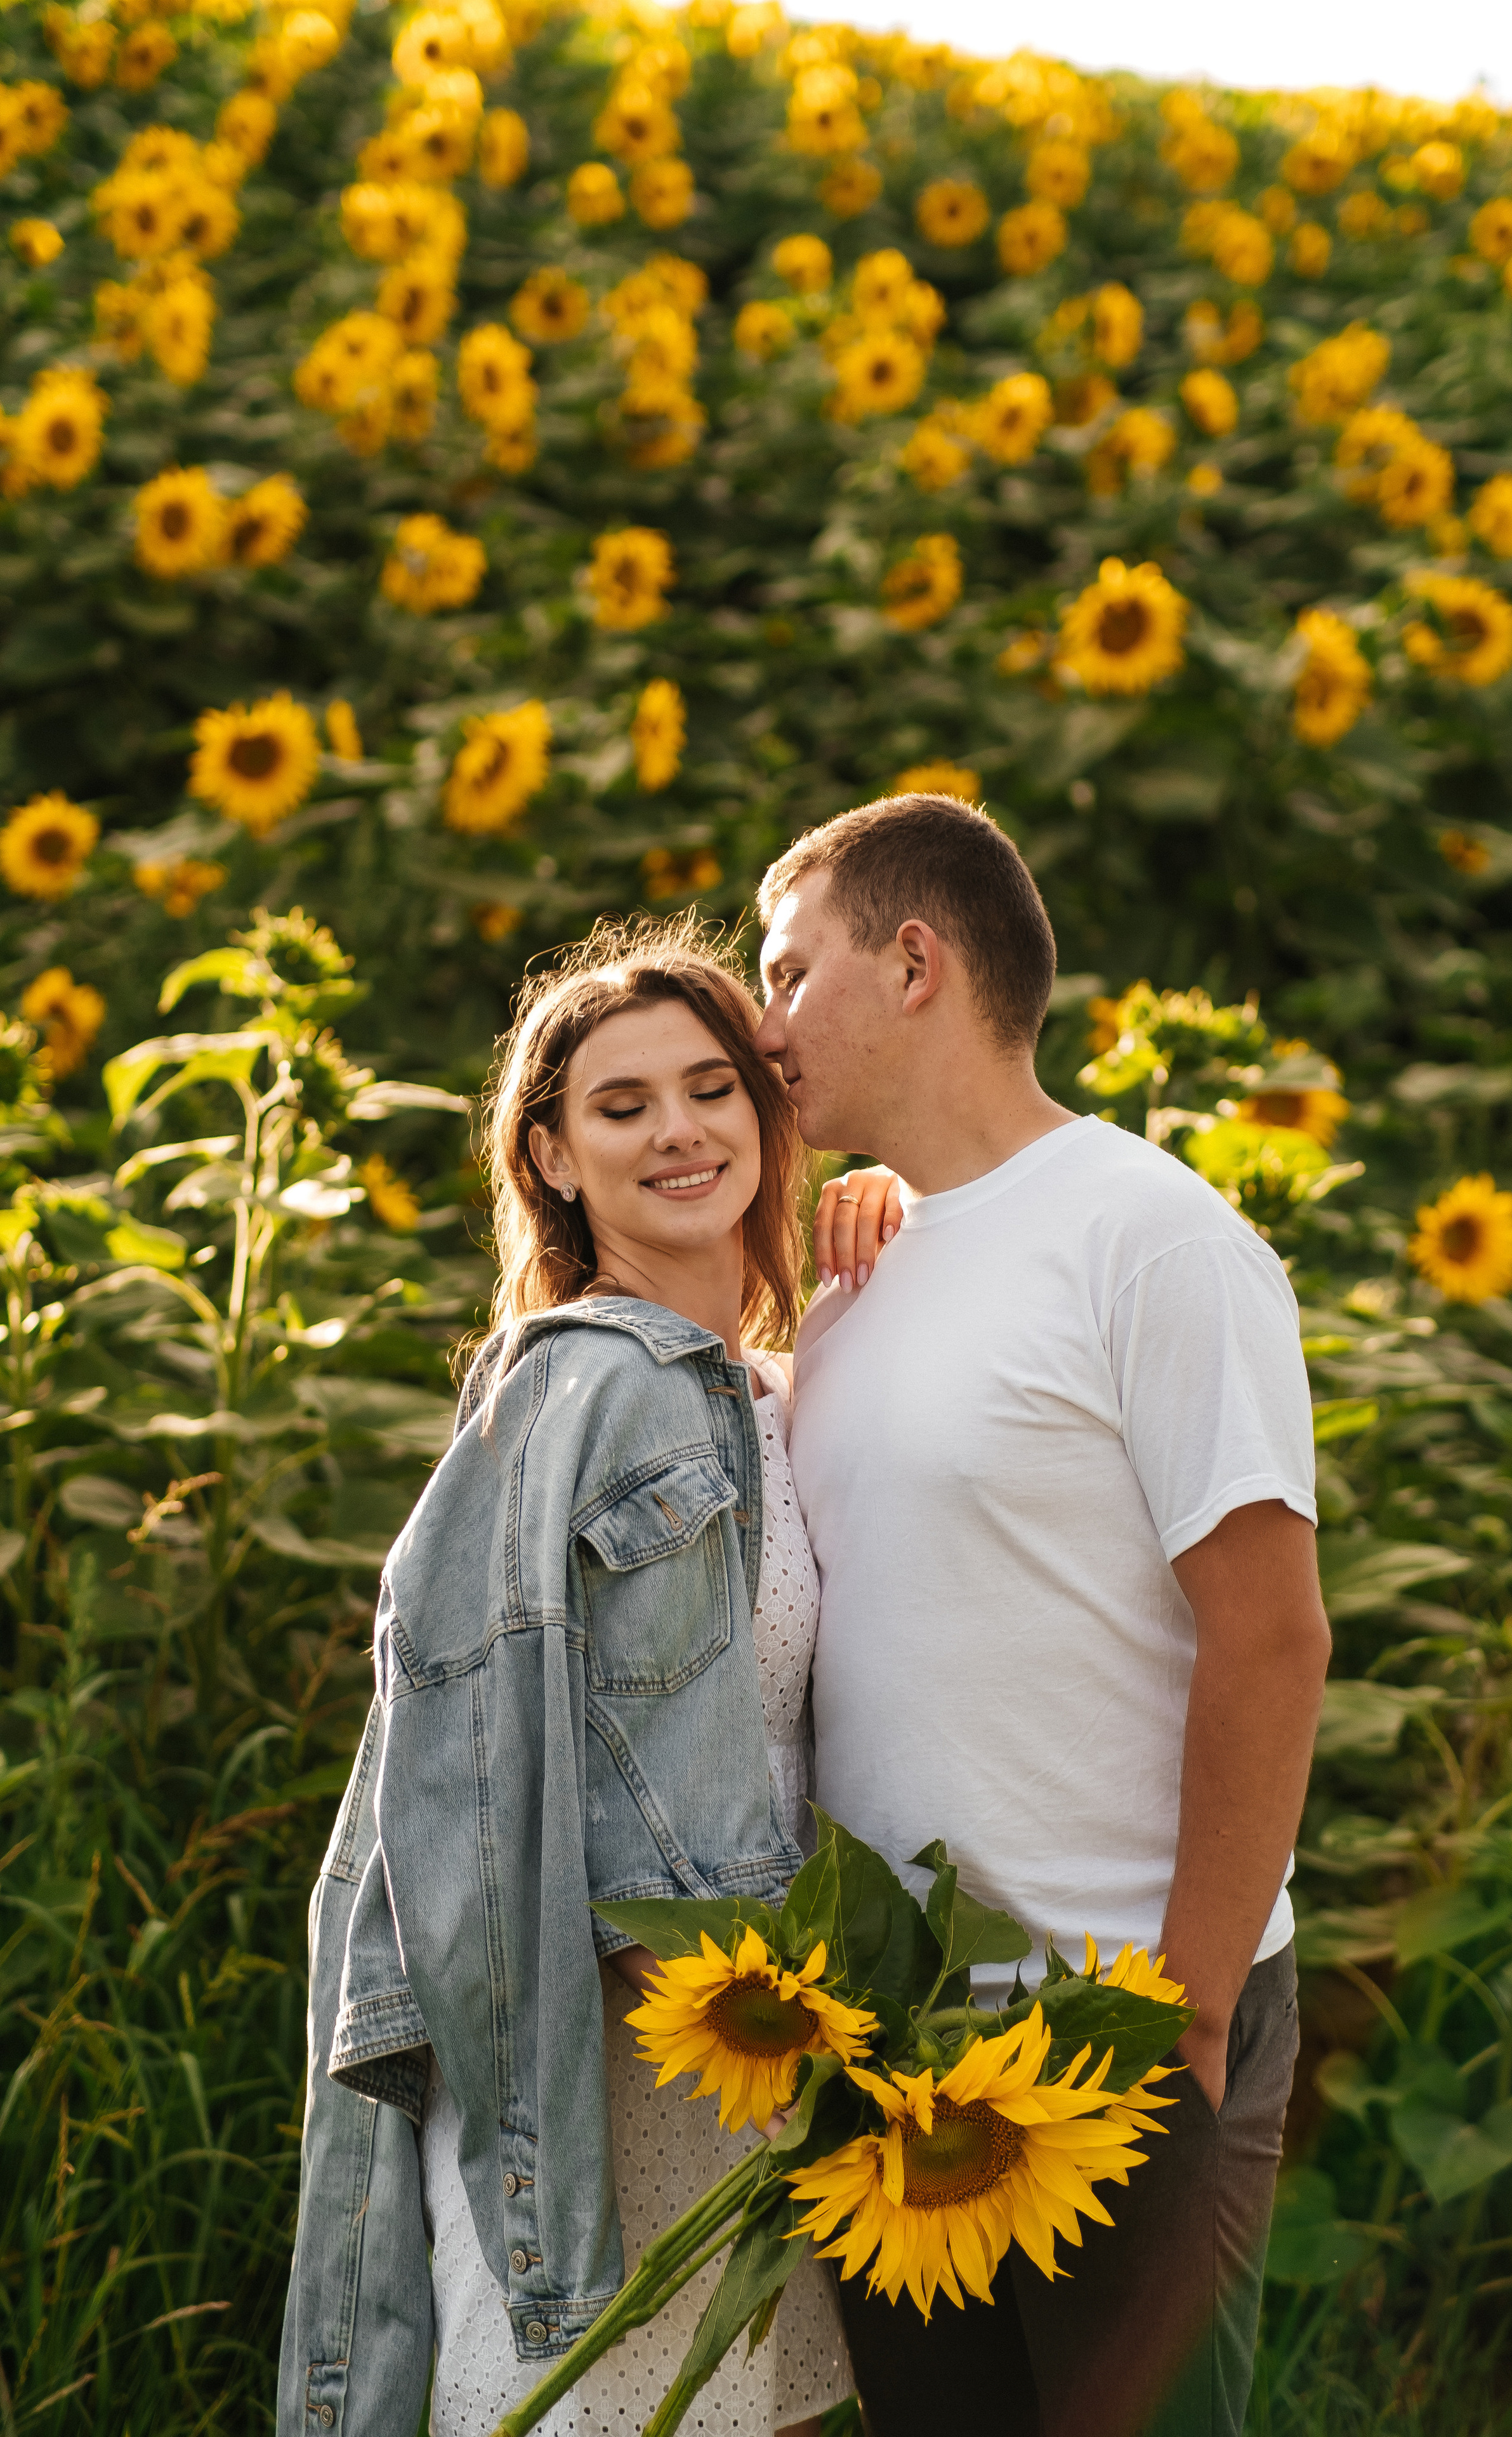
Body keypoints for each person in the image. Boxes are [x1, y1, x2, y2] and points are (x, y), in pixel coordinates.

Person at [755, 793, 1332, 2437]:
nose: (762, 1024)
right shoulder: (855, 1275)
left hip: (1118, 2025)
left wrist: (1185, 2018)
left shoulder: (1151, 1237)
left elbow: (1273, 1637)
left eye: (789, 972)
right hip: (895, 2040)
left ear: (914, 962)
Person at [278, 915, 893, 2437]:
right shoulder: (575, 1389)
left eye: (710, 1088)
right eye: (622, 1107)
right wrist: (710, 2008)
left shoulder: (769, 1389)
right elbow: (467, 1768)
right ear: (550, 1157)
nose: (678, 1130)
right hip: (632, 2051)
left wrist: (897, 1216)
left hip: (764, 2034)